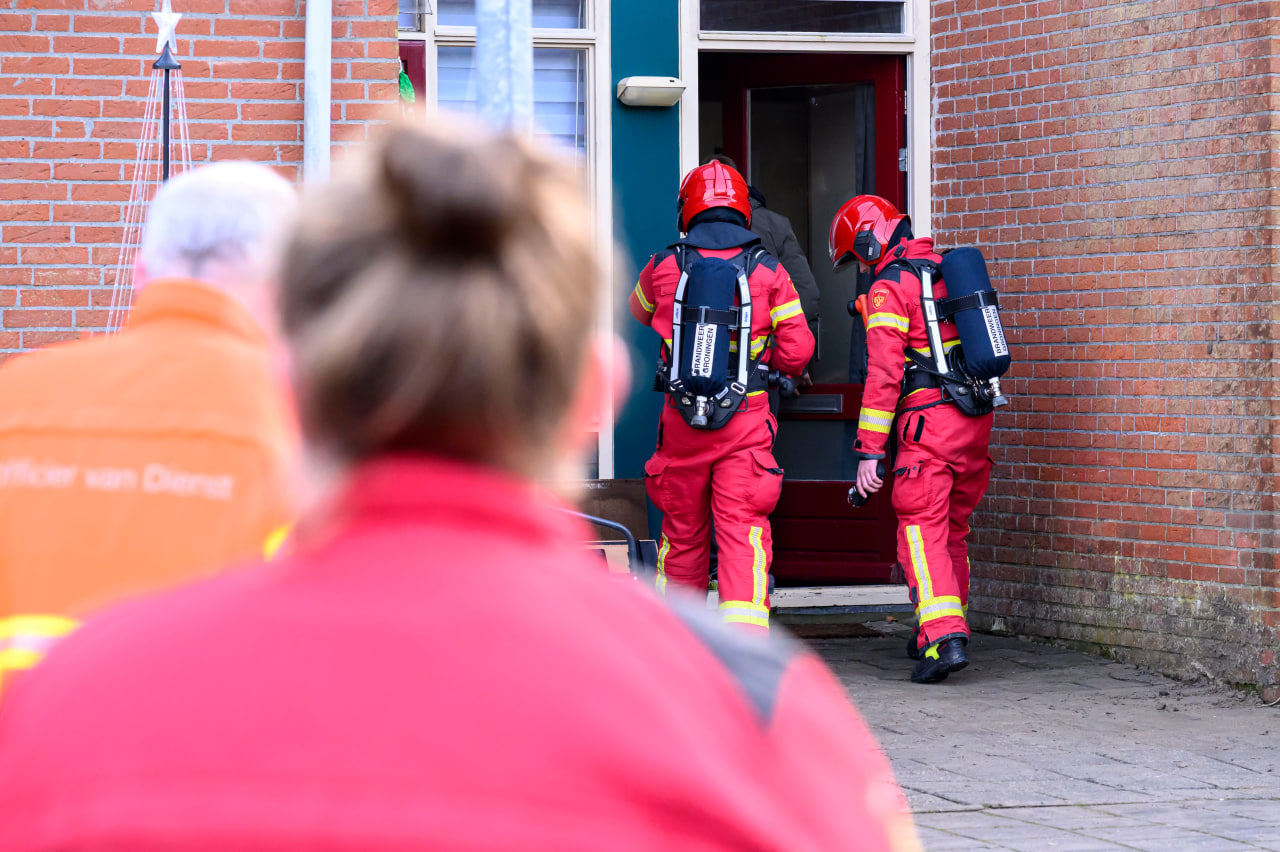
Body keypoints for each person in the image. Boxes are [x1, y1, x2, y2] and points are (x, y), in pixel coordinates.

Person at [0, 122, 921, 852]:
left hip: (687, 434)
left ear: (288, 386)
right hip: (749, 433)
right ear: (588, 393)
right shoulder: (769, 728)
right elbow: (799, 351)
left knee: (684, 541)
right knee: (737, 546)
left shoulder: (73, 706)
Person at [0, 163, 299, 691]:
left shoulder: (13, 396)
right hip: (188, 756)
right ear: (291, 286)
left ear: (141, 276)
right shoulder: (303, 423)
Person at [630, 160, 814, 632]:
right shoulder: (770, 270)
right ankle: (745, 649)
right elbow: (798, 350)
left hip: (681, 421)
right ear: (742, 209)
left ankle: (681, 649)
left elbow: (639, 309)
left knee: (683, 537)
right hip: (746, 423)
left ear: (687, 210)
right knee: (743, 535)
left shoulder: (664, 264)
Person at [829, 195, 994, 684]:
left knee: (921, 531)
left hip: (930, 427)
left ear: (869, 238)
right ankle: (939, 626)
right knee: (952, 533)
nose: (861, 266)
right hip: (974, 419)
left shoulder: (889, 286)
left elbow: (883, 376)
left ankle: (943, 638)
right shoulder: (943, 269)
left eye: (859, 256)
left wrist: (868, 453)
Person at [709, 153, 821, 347]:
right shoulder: (776, 224)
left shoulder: (693, 232)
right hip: (766, 364)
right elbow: (807, 296)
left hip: (705, 361)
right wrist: (792, 360)